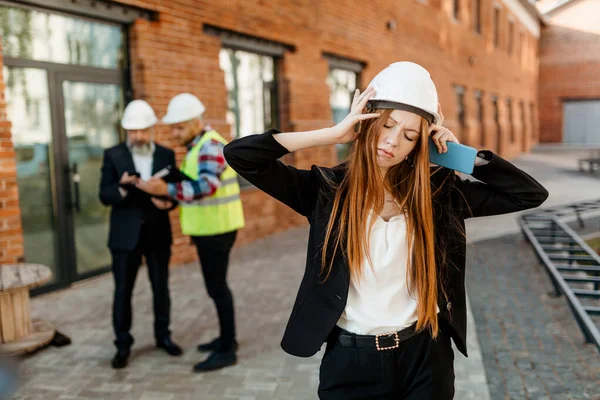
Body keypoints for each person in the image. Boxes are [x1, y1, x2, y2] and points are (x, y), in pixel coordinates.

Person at [223, 62, 549, 399]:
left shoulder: (438, 193)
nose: (392, 141)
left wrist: (460, 157)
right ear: (366, 122)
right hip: (352, 361)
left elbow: (529, 193)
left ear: (418, 144)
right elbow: (241, 156)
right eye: (387, 125)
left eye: (409, 136)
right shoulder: (325, 191)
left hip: (425, 354)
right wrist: (333, 134)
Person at [136, 93, 245, 373]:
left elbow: (206, 186)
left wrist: (166, 190)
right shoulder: (199, 146)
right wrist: (170, 197)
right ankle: (225, 339)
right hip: (210, 228)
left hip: (216, 229)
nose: (174, 133)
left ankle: (227, 349)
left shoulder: (209, 146)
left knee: (217, 288)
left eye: (179, 127)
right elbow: (193, 184)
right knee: (217, 287)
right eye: (173, 127)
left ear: (197, 122)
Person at [99, 100, 183, 369]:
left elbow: (176, 191)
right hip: (125, 237)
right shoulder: (112, 155)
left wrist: (168, 202)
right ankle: (122, 345)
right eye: (132, 131)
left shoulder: (166, 155)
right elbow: (104, 195)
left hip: (158, 233)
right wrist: (123, 187)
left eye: (142, 130)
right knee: (123, 291)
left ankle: (163, 337)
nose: (137, 136)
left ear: (151, 129)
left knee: (161, 288)